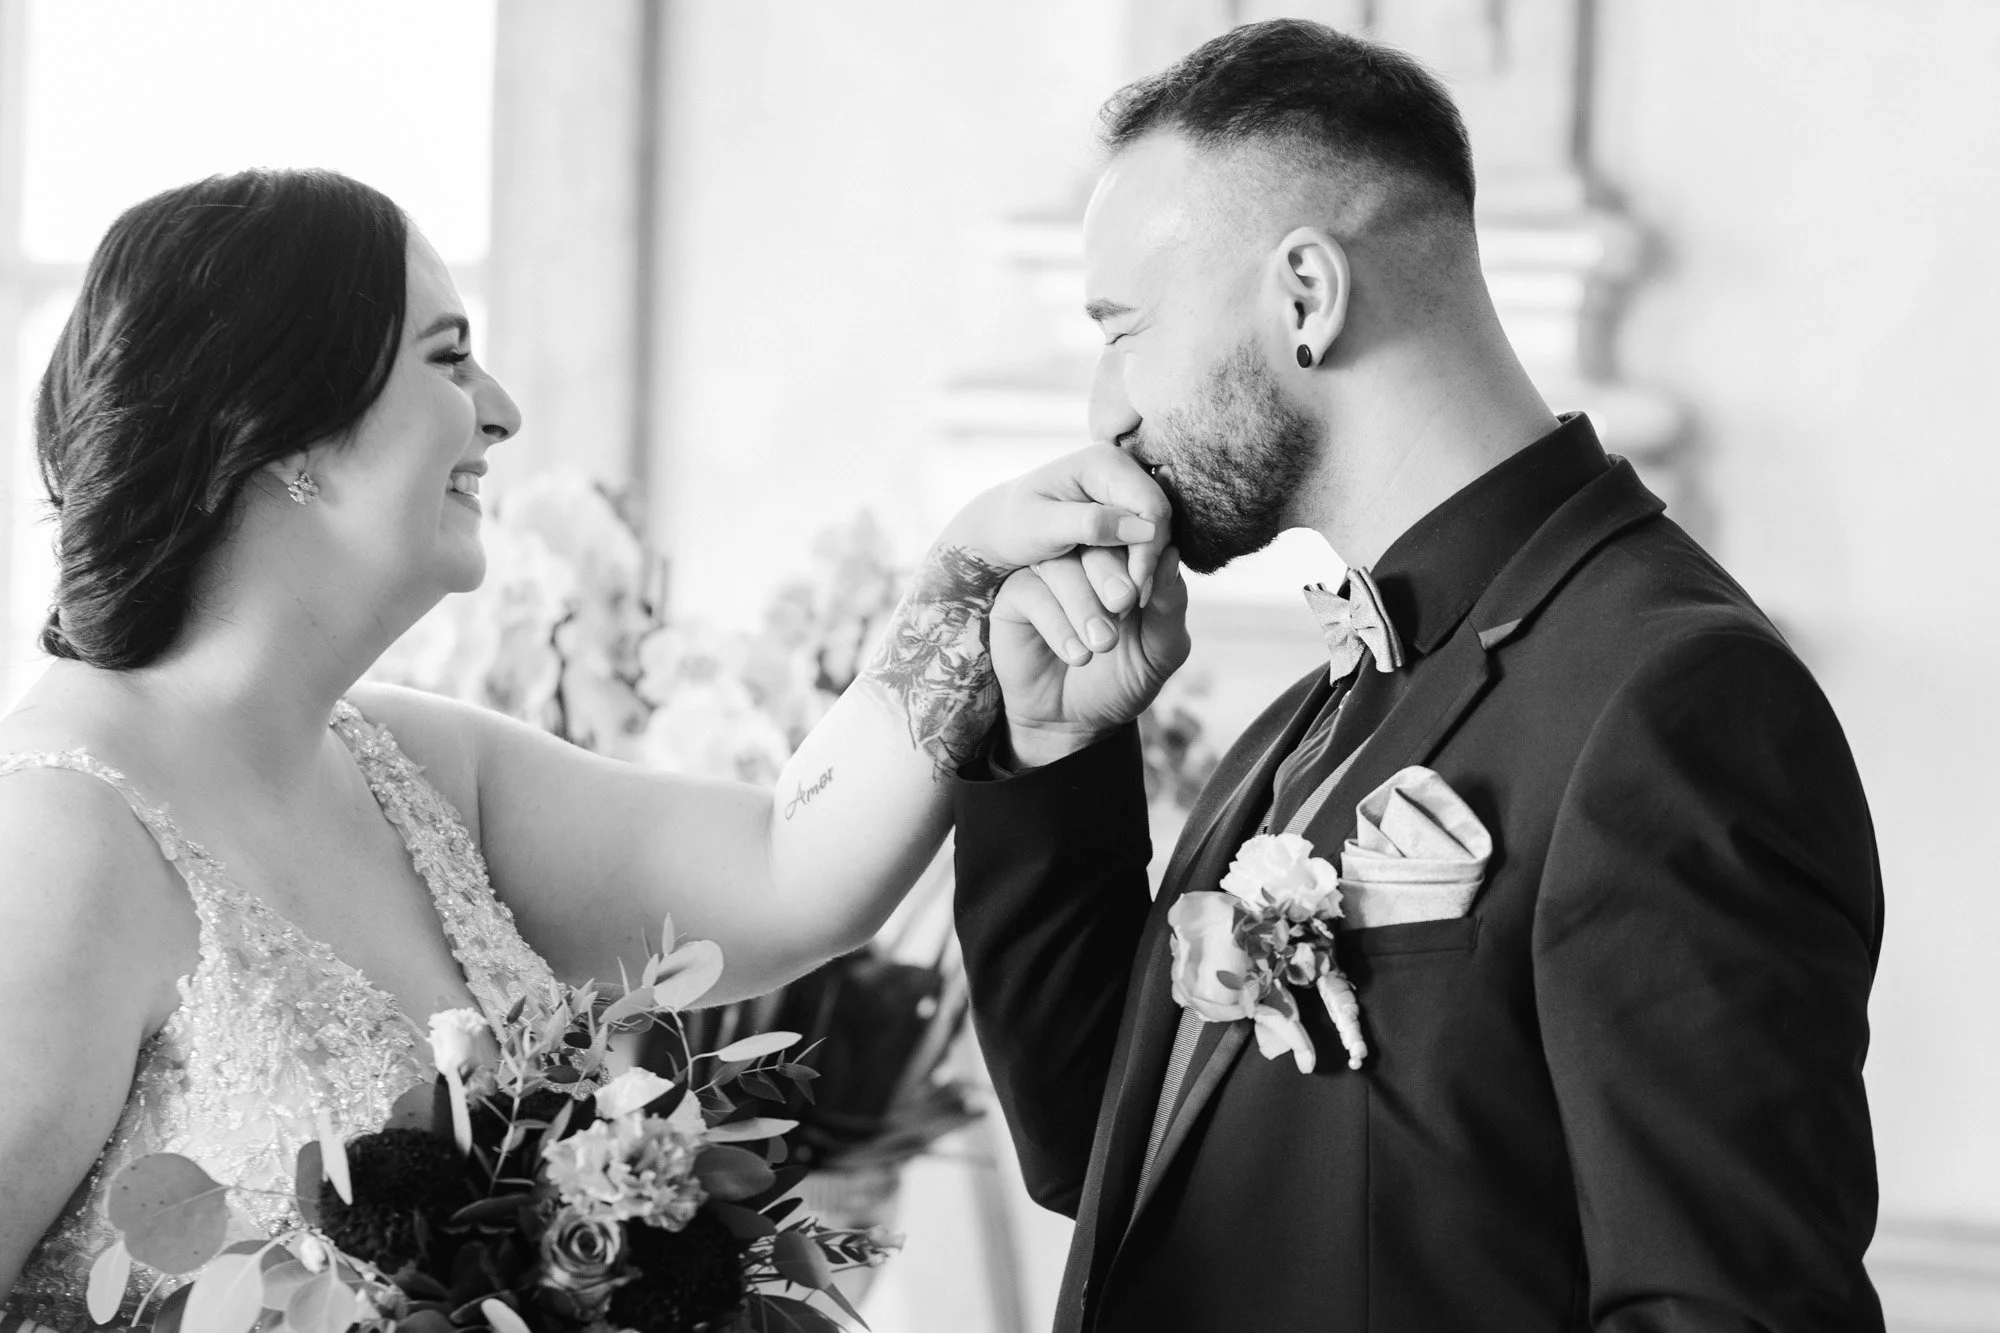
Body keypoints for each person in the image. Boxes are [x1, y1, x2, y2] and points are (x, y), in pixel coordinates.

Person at [0, 168, 1175, 1323]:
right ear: (281, 428)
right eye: (448, 358)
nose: (501, 409)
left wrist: (971, 587)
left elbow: (784, 867)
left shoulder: (419, 771)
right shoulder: (56, 839)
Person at [953, 20, 1885, 1332]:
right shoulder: (1325, 704)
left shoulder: (1675, 702)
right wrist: (1053, 754)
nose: (1103, 407)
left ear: (1305, 298)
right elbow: (1096, 1150)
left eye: (1126, 329)